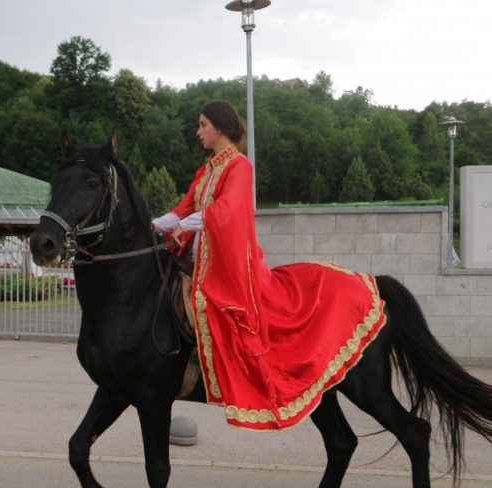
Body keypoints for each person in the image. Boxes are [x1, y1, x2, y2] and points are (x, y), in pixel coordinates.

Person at [152, 101, 386, 431]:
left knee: (210, 304)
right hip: (201, 261)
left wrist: (188, 224)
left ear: (219, 127)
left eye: (203, 124)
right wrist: (152, 224)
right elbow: (184, 207)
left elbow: (229, 209)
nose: (198, 131)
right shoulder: (207, 171)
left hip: (230, 267)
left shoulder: (239, 166)